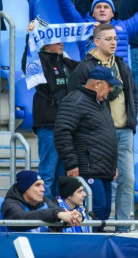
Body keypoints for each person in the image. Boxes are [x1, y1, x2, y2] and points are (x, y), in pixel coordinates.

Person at [54, 64, 120, 221]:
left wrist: (113, 166)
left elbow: (106, 135)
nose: (111, 89)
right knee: (95, 209)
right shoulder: (74, 101)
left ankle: (99, 238)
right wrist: (71, 163)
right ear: (97, 84)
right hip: (87, 169)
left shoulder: (101, 103)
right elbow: (62, 133)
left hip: (104, 169)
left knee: (104, 210)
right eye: (109, 85)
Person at [22, 32, 78, 198]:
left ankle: (59, 210)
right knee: (47, 173)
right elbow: (28, 64)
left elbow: (89, 67)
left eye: (62, 39)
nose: (61, 43)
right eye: (55, 39)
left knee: (63, 176)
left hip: (67, 125)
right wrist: (30, 38)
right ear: (45, 44)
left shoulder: (67, 62)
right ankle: (45, 208)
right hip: (49, 125)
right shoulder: (39, 60)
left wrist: (94, 34)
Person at [1, 170, 81, 231]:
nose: (43, 189)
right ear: (24, 188)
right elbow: (22, 217)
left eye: (43, 185)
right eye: (37, 185)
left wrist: (75, 216)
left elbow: (59, 211)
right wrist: (57, 214)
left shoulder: (44, 201)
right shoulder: (9, 203)